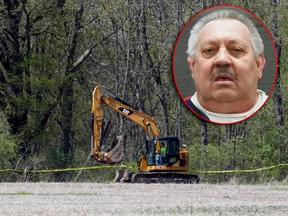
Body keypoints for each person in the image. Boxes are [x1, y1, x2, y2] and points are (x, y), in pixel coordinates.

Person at [185, 9, 268, 123]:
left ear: (258, 65)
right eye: (209, 50)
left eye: (236, 49)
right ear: (193, 66)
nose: (222, 60)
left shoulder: (277, 111)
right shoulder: (182, 114)